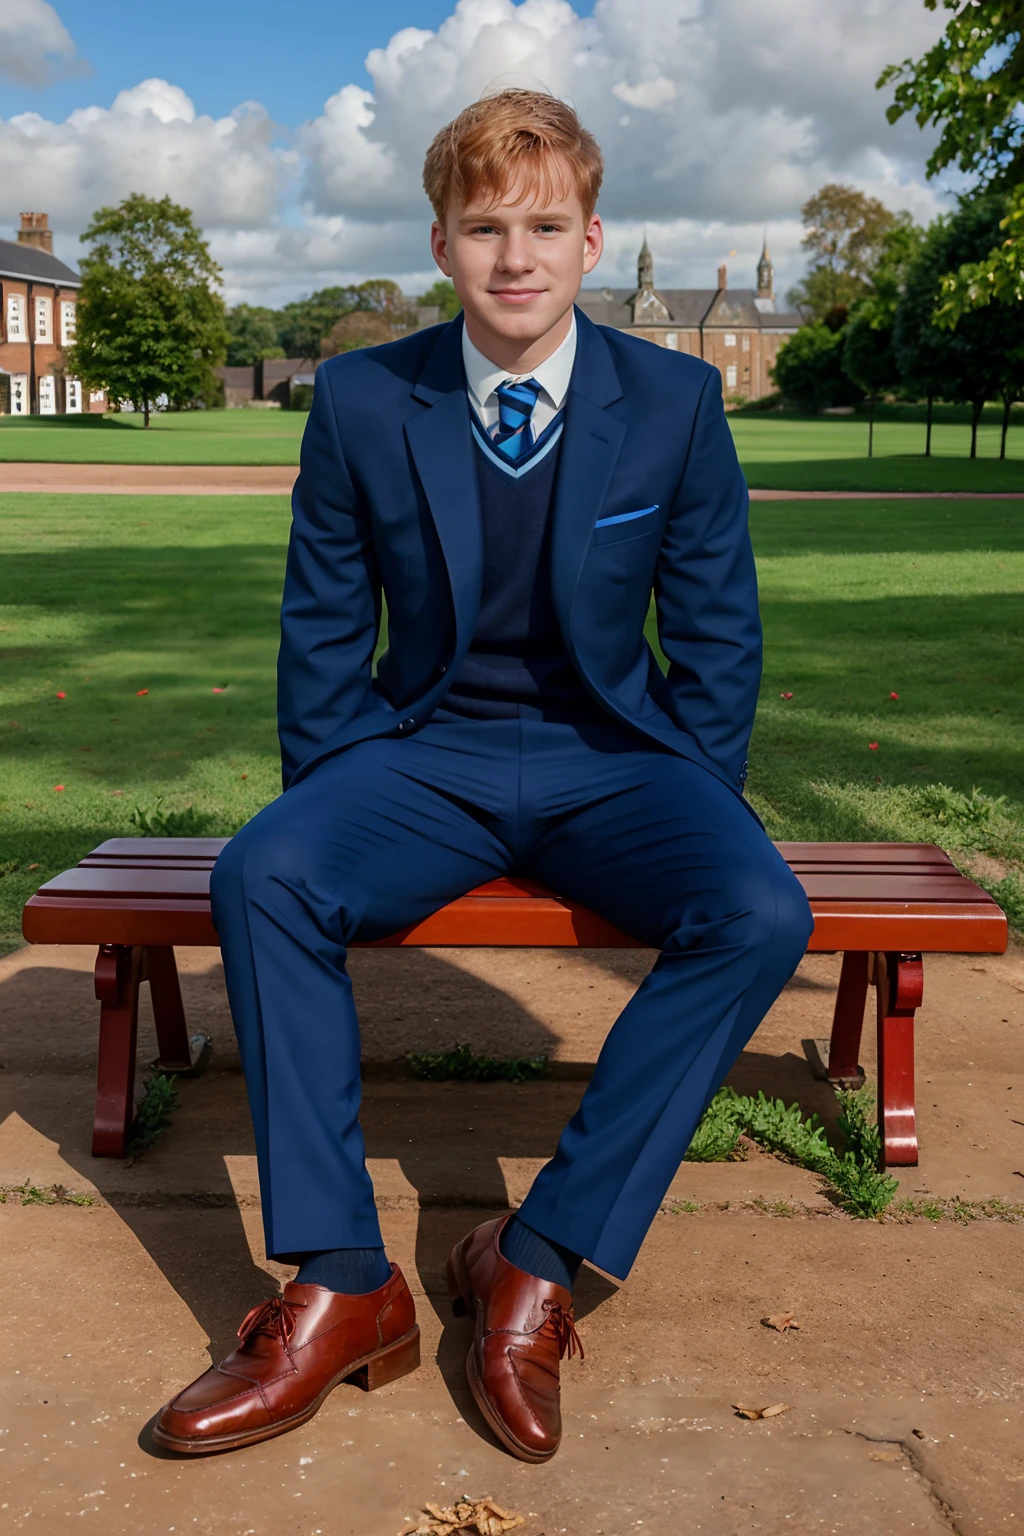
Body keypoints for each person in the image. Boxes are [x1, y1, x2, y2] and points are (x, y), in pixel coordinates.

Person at [153, 88, 813, 1463]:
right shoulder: (360, 398)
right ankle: (343, 1285)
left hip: (615, 756)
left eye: (546, 226)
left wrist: (691, 783)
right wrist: (337, 792)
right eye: (485, 226)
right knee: (265, 872)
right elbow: (324, 627)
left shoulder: (678, 400)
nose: (517, 255)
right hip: (427, 752)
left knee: (761, 909)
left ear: (591, 243)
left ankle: (537, 1253)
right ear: (443, 244)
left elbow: (716, 630)